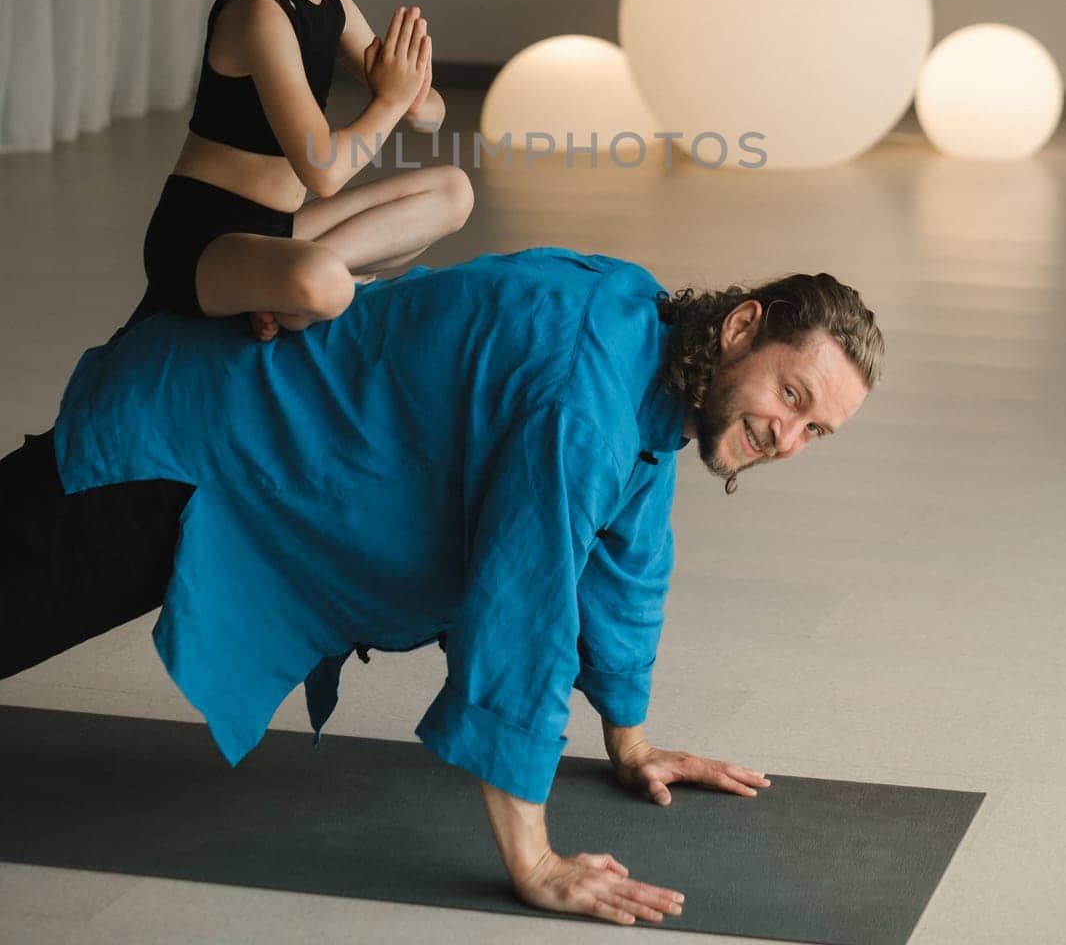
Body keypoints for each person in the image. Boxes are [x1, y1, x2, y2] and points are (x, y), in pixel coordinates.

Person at [0, 247, 883, 927]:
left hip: (252, 458)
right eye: (792, 394)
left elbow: (628, 555)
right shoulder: (583, 400)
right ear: (740, 329)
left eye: (817, 430)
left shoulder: (647, 347)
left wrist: (631, 742)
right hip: (180, 450)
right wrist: (534, 862)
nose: (788, 437)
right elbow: (524, 607)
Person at [129, 0, 473, 343]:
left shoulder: (331, 0)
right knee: (327, 285)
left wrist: (412, 89)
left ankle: (283, 290)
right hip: (207, 242)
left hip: (280, 228)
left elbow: (429, 115)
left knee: (453, 191)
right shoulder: (259, 12)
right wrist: (389, 98)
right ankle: (296, 289)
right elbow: (324, 170)